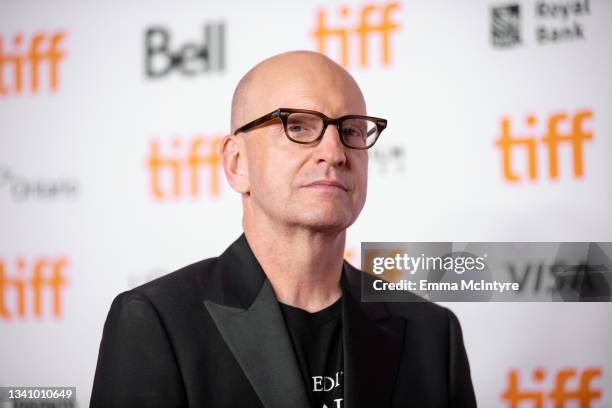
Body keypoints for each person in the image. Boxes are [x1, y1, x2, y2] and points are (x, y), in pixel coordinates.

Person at [90, 50, 477, 408]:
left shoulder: (432, 333)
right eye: (299, 126)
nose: (335, 153)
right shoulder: (156, 322)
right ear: (236, 163)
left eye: (352, 131)